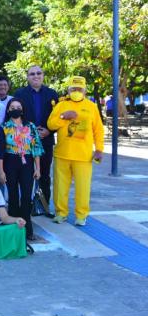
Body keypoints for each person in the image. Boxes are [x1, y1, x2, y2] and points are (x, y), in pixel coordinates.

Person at [47, 76, 104, 226]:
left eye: (79, 89)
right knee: (60, 187)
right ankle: (61, 213)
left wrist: (99, 149)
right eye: (73, 89)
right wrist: (63, 117)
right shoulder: (61, 105)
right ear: (68, 90)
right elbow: (51, 125)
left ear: (85, 90)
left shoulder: (92, 107)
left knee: (83, 188)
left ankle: (81, 215)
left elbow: (98, 130)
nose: (76, 91)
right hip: (62, 154)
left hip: (83, 156)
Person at [0, 98, 43, 240]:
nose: (15, 109)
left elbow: (36, 148)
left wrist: (37, 168)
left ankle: (28, 229)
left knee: (27, 196)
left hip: (27, 162)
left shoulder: (31, 126)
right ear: (8, 110)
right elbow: (0, 151)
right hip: (10, 162)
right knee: (13, 196)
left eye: (18, 107)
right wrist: (1, 171)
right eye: (12, 107)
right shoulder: (4, 127)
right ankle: (14, 228)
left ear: (22, 110)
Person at [14, 65, 59, 214]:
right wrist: (28, 132)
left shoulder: (52, 94)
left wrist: (49, 131)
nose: (35, 76)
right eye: (32, 74)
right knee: (27, 174)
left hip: (46, 140)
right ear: (27, 77)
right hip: (25, 141)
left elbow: (58, 119)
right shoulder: (19, 94)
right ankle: (27, 207)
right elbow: (15, 116)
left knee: (44, 174)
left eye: (38, 73)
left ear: (43, 75)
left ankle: (44, 206)